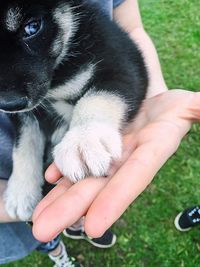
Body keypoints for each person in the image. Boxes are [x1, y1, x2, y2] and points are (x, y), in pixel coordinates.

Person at [31, 0, 200, 243]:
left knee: (74, 196)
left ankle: (75, 226)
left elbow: (131, 29)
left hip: (78, 120)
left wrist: (152, 97)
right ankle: (56, 242)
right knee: (44, 215)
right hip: (12, 174)